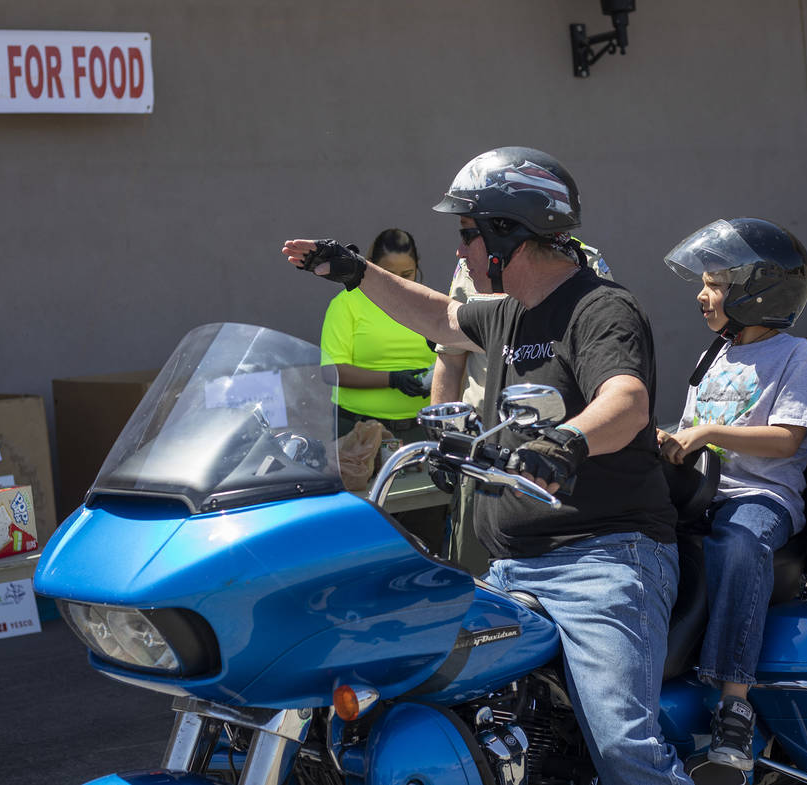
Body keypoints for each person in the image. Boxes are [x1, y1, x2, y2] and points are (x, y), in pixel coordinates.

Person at [284, 146, 689, 785]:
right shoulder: (505, 314)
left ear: (509, 233)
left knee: (622, 748)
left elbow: (626, 401)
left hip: (605, 559)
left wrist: (568, 441)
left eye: (468, 234)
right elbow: (440, 317)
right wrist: (355, 271)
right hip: (509, 566)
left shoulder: (599, 307)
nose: (460, 252)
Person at [655, 218, 807, 771]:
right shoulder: (715, 354)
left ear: (757, 292)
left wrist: (708, 434)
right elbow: (690, 430)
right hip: (704, 492)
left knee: (736, 543)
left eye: (715, 285)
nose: (704, 297)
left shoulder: (795, 355)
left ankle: (734, 704)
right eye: (703, 284)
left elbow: (787, 440)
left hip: (762, 497)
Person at [431, 240, 613, 575]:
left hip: (552, 454)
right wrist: (446, 437)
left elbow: (602, 361)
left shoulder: (585, 260)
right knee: (473, 580)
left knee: (557, 576)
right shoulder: (472, 264)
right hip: (482, 449)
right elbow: (450, 358)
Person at [320, 227, 443, 550]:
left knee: (424, 526)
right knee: (364, 530)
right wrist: (393, 379)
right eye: (387, 274)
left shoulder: (428, 302)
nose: (399, 282)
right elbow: (331, 371)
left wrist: (433, 376)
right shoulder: (347, 304)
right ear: (370, 268)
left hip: (418, 434)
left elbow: (453, 354)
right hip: (361, 436)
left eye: (408, 273)